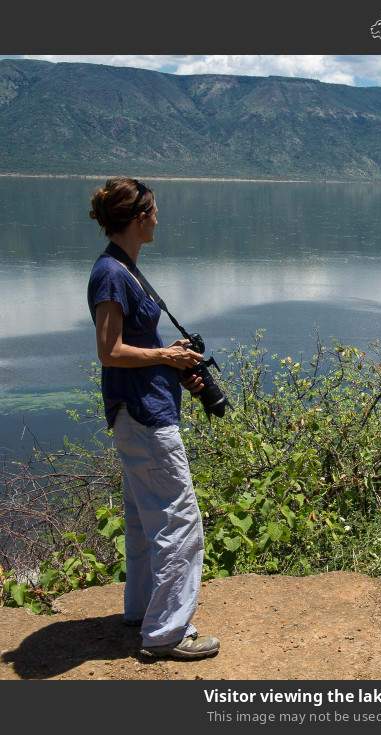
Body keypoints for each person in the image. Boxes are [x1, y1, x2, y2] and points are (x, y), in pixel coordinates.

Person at [86, 177, 220, 660]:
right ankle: (167, 634)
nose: (159, 218)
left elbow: (130, 345)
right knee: (181, 520)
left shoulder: (124, 268)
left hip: (141, 409)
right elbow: (110, 351)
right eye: (155, 211)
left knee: (145, 520)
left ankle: (143, 610)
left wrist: (170, 358)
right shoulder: (111, 274)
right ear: (139, 217)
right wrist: (164, 353)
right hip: (145, 414)